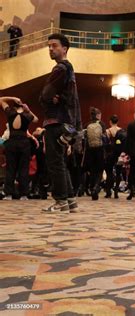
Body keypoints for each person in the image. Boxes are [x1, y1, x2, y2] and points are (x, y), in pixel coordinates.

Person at [40, 33, 82, 213]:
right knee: (60, 162)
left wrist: (46, 98)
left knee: (54, 162)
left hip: (56, 120)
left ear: (64, 48)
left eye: (54, 45)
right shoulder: (68, 69)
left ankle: (61, 201)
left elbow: (45, 95)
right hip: (65, 121)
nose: (51, 48)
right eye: (49, 46)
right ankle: (70, 200)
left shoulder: (60, 69)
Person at [0, 96, 38, 200]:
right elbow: (36, 119)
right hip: (24, 143)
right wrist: (28, 109)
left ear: (14, 105)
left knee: (10, 169)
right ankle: (24, 195)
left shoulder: (10, 112)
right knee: (24, 169)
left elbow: (1, 99)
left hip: (11, 143)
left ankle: (8, 194)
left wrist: (12, 98)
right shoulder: (27, 115)